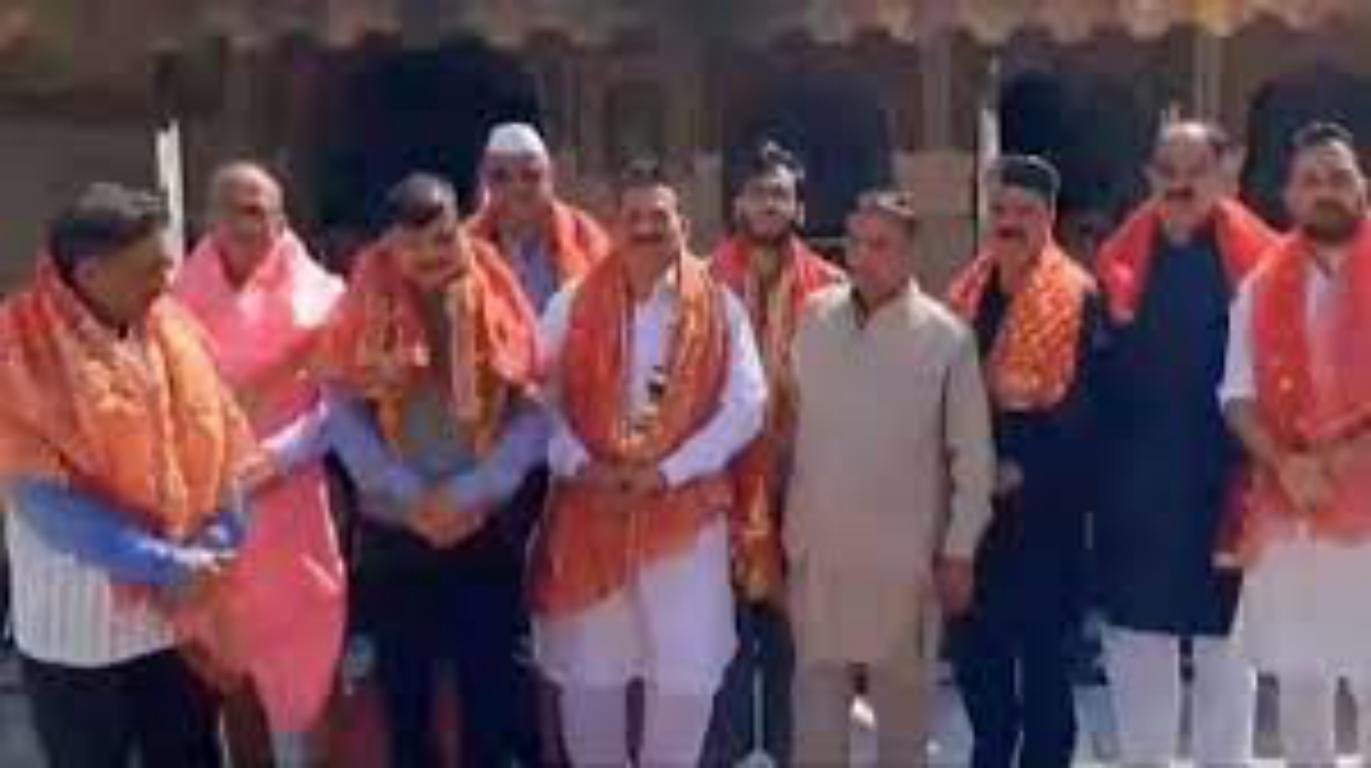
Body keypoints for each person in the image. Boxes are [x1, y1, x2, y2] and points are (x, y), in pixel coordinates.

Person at [0, 183, 257, 767]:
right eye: (149, 269)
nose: (166, 281)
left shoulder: (173, 328)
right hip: (78, 633)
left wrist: (219, 541)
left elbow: (225, 440)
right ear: (90, 273)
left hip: (179, 622)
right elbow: (42, 499)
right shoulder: (17, 349)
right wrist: (165, 563)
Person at [533, 159, 767, 767]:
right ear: (614, 225)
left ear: (683, 225)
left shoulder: (719, 307)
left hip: (683, 515)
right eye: (633, 216)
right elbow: (538, 402)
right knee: (592, 673)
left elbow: (747, 404)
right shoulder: (570, 305)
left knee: (685, 674)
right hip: (593, 512)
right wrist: (581, 465)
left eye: (658, 216)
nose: (645, 228)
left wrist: (670, 471)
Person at [321, 173, 549, 767]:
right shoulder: (363, 300)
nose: (430, 256)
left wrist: (478, 489)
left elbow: (535, 406)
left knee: (489, 695)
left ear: (462, 230)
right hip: (396, 529)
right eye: (413, 244)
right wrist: (409, 496)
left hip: (485, 525)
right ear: (390, 245)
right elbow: (338, 409)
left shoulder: (497, 294)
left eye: (443, 239)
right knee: (406, 698)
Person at [786, 190, 995, 766]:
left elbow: (972, 459)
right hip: (821, 559)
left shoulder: (946, 338)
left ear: (910, 252)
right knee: (815, 737)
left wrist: (959, 552)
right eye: (855, 243)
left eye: (880, 245)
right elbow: (786, 427)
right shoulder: (814, 317)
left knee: (904, 737)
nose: (863, 258)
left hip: (904, 568)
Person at [1093, 120, 1278, 766]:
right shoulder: (1114, 269)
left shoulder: (1267, 269)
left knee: (1228, 659)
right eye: (1165, 171)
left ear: (1227, 176)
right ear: (1148, 178)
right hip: (1137, 495)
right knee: (1138, 654)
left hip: (1230, 488)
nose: (1178, 185)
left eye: (1194, 171)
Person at [174, 161, 348, 765]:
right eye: (232, 210)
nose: (245, 224)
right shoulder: (171, 303)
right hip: (210, 508)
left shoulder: (326, 296)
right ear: (208, 218)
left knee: (316, 664)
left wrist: (276, 457)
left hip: (295, 504)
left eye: (258, 211)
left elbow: (339, 408)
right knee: (232, 670)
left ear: (281, 220)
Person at [946, 156, 1104, 768]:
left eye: (1025, 212)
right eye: (1000, 210)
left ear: (1050, 218)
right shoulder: (964, 294)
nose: (1009, 222)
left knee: (1045, 677)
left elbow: (1091, 411)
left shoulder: (1077, 298)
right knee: (979, 670)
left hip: (1045, 518)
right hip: (972, 517)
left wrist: (1023, 467)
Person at [1221, 121, 1371, 765]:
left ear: (1363, 188)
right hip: (1292, 510)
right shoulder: (1261, 284)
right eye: (1311, 180)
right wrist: (1285, 464)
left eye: (1338, 178)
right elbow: (1236, 394)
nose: (1325, 190)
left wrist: (1343, 460)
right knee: (1303, 684)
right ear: (1289, 197)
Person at [704, 140, 845, 767]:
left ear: (800, 208)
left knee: (799, 646)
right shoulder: (700, 286)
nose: (769, 205)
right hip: (719, 487)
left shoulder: (833, 291)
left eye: (781, 195)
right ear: (738, 203)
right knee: (721, 644)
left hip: (801, 487)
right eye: (759, 193)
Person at [467, 121, 609, 314]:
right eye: (501, 177)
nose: (517, 188)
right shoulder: (466, 244)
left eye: (530, 176)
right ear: (485, 182)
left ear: (551, 177)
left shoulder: (586, 237)